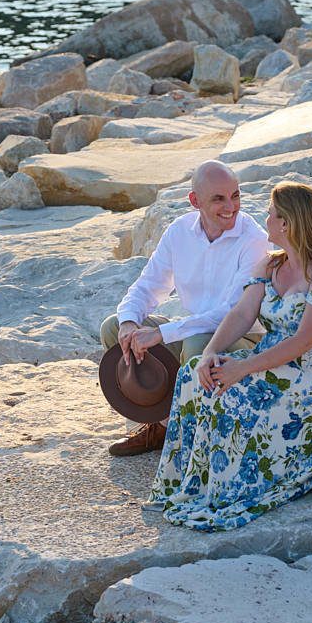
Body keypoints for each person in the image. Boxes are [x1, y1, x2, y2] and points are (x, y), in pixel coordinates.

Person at [149, 181, 312, 531]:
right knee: (193, 374)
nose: (265, 218)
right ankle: (194, 485)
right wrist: (211, 352)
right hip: (274, 361)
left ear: (288, 224)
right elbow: (241, 315)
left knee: (235, 393)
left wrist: (243, 369)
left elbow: (303, 342)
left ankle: (233, 487)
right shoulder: (271, 265)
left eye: (272, 213)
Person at [101, 160, 270, 456]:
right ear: (195, 201)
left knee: (195, 346)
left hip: (242, 336)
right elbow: (148, 285)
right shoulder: (179, 231)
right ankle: (160, 423)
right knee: (114, 328)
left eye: (236, 195)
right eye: (218, 198)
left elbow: (234, 311)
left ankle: (192, 436)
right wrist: (130, 321)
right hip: (193, 330)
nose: (231, 206)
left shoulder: (253, 240)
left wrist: (162, 334)